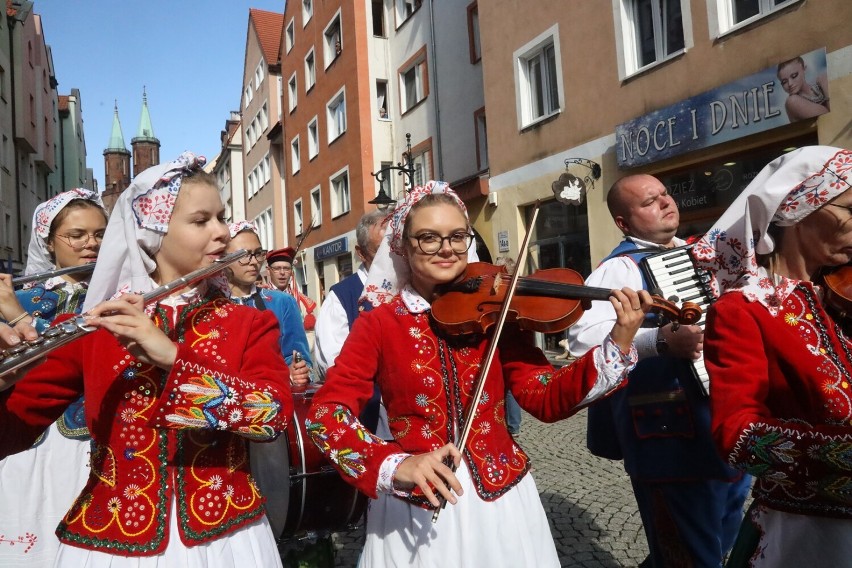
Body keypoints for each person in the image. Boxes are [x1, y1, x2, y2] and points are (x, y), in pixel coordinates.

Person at [306, 180, 654, 567]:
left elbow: (545, 396)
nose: (447, 248)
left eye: (457, 235)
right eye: (428, 238)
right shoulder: (380, 324)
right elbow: (325, 416)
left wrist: (619, 340)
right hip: (417, 504)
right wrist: (396, 464)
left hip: (502, 501)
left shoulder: (496, 312)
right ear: (402, 247)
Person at [0, 152, 293, 566]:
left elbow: (274, 417)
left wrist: (174, 357)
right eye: (201, 220)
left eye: (221, 217)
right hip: (110, 544)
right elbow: (11, 429)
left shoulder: (248, 324)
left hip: (226, 540)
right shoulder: (96, 326)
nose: (223, 233)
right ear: (155, 232)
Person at [567, 173, 750, 567]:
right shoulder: (619, 270)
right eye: (649, 202)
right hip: (671, 434)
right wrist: (659, 341)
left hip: (724, 417)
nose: (666, 202)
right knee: (688, 551)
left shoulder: (705, 252)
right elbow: (582, 340)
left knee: (721, 533)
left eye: (666, 194)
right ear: (624, 222)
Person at [694, 146, 852, 567]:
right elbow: (737, 434)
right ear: (800, 209)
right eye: (851, 209)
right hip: (810, 535)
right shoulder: (742, 310)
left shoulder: (838, 294)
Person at [0, 189, 107, 568]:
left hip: (95, 441)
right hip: (32, 441)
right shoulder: (19, 298)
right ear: (48, 241)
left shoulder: (116, 294)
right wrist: (16, 317)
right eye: (77, 235)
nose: (90, 244)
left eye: (99, 234)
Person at [314, 209, 387, 437]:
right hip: (371, 424)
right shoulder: (341, 297)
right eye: (380, 253)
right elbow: (335, 366)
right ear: (361, 253)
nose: (390, 261)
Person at [226, 220, 312, 386]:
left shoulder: (282, 302)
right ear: (223, 258)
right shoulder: (212, 306)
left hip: (273, 398)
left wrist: (298, 370)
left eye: (258, 253)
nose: (253, 262)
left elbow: (297, 356)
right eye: (243, 255)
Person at [267, 247, 318, 338]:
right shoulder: (260, 298)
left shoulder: (304, 303)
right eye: (277, 268)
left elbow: (311, 337)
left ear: (291, 271)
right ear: (268, 271)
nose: (282, 272)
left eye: (286, 268)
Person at [777, 56, 830, 122]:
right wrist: (825, 84)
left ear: (804, 69)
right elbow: (829, 117)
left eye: (794, 76)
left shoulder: (820, 84)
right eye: (784, 82)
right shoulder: (792, 102)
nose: (790, 84)